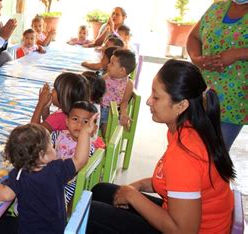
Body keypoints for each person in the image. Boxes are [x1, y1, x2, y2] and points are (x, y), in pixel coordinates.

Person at [87, 59, 235, 234]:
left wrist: (133, 196)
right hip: (182, 218)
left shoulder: (185, 154)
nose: (149, 101)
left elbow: (184, 231)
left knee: (91, 215)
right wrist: (140, 185)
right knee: (101, 191)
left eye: (156, 97)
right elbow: (172, 181)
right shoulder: (186, 129)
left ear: (181, 105)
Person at [0, 118, 98, 234]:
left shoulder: (19, 175)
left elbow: (6, 194)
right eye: (50, 143)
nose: (53, 145)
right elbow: (80, 159)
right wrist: (85, 133)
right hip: (57, 230)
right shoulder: (57, 169)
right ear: (41, 155)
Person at [187, 0, 248, 150]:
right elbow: (194, 37)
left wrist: (238, 53)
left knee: (213, 155)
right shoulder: (217, 8)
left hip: (233, 101)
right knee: (189, 149)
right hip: (200, 92)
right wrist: (197, 59)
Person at [51, 101, 103, 207]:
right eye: (75, 119)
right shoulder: (57, 135)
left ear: (93, 129)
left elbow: (78, 172)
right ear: (67, 121)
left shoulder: (89, 148)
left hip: (70, 185)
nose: (79, 124)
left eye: (85, 122)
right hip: (51, 176)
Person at [99, 49, 136, 136]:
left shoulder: (128, 84)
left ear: (122, 70)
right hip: (99, 109)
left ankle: (107, 147)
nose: (108, 65)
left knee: (108, 134)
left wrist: (123, 112)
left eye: (112, 63)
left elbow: (124, 101)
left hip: (112, 114)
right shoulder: (106, 78)